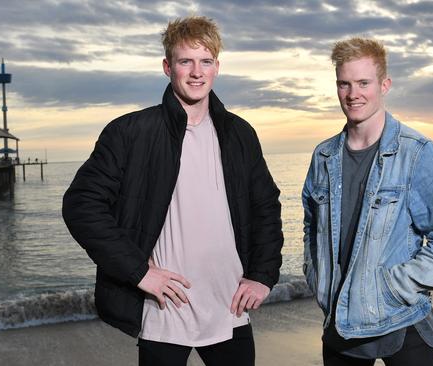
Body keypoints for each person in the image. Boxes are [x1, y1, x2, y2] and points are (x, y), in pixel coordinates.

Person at [63, 16, 283, 366]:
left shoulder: (240, 134)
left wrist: (262, 275)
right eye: (185, 62)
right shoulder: (130, 133)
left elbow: (266, 208)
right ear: (168, 67)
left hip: (229, 308)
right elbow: (81, 205)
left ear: (217, 68)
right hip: (163, 311)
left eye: (205, 62)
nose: (196, 72)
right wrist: (139, 272)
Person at [302, 37, 433, 366]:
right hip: (340, 325)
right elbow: (310, 226)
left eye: (364, 83)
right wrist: (317, 276)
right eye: (344, 84)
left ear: (384, 84)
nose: (353, 95)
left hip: (402, 321)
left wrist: (393, 286)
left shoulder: (417, 152)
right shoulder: (323, 156)